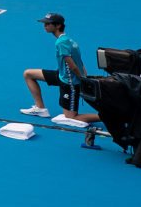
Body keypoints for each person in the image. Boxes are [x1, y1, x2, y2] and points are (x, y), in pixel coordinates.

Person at [21, 12, 103, 148]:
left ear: (58, 25)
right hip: (62, 75)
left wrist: (82, 79)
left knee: (71, 116)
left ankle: (106, 116)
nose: (45, 26)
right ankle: (40, 108)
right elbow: (80, 61)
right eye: (44, 24)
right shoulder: (69, 40)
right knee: (28, 74)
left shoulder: (61, 42)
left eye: (48, 24)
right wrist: (84, 74)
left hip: (70, 83)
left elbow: (72, 64)